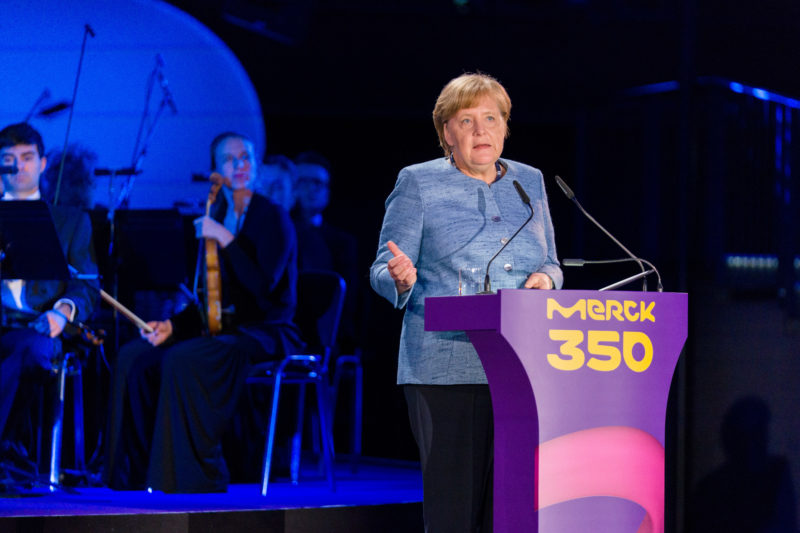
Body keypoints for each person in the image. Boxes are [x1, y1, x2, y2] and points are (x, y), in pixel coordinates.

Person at [369, 73, 563, 532]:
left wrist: (546, 280)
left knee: (512, 511)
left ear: (505, 127)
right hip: (446, 367)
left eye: (491, 118)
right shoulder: (417, 183)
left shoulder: (530, 182)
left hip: (524, 366)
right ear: (446, 134)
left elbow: (553, 262)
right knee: (454, 513)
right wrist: (398, 278)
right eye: (466, 120)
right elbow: (382, 267)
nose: (481, 130)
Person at [104, 132, 302, 493]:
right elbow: (207, 300)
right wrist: (170, 325)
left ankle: (190, 476)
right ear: (216, 172)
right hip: (222, 329)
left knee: (185, 358)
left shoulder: (272, 217)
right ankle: (131, 475)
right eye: (230, 160)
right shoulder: (219, 215)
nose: (240, 165)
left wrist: (225, 239)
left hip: (266, 331)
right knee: (135, 355)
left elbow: (264, 291)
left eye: (246, 158)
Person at [0, 122, 98, 460]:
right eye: (9, 159)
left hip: (39, 325)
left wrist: (63, 312)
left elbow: (86, 283)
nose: (19, 166)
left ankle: (8, 452)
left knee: (31, 351)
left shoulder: (71, 220)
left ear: (43, 164)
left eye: (27, 157)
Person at [291, 151, 359, 352]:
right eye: (303, 181)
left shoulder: (342, 242)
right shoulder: (275, 234)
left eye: (318, 183)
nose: (311, 189)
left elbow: (348, 299)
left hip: (325, 332)